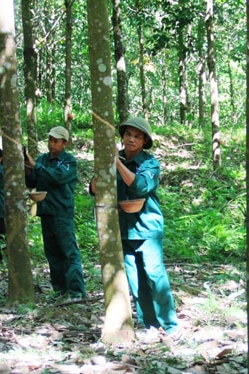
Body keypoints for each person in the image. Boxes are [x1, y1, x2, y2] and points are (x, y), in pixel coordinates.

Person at [90, 117, 179, 335]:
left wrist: (116, 163)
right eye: (128, 134)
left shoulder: (150, 163)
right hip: (123, 229)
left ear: (144, 141)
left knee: (155, 275)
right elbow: (94, 189)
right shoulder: (114, 159)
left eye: (137, 136)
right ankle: (150, 324)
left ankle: (170, 326)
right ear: (122, 137)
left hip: (147, 227)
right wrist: (103, 165)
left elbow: (140, 186)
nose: (131, 139)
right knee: (135, 280)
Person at [24, 126, 86, 300]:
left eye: (56, 141)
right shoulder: (43, 158)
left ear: (64, 143)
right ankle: (60, 290)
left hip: (62, 211)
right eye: (50, 140)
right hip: (46, 210)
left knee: (69, 252)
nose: (52, 144)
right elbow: (32, 180)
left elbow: (57, 177)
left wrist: (36, 166)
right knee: (52, 252)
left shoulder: (68, 161)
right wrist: (28, 169)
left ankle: (76, 291)